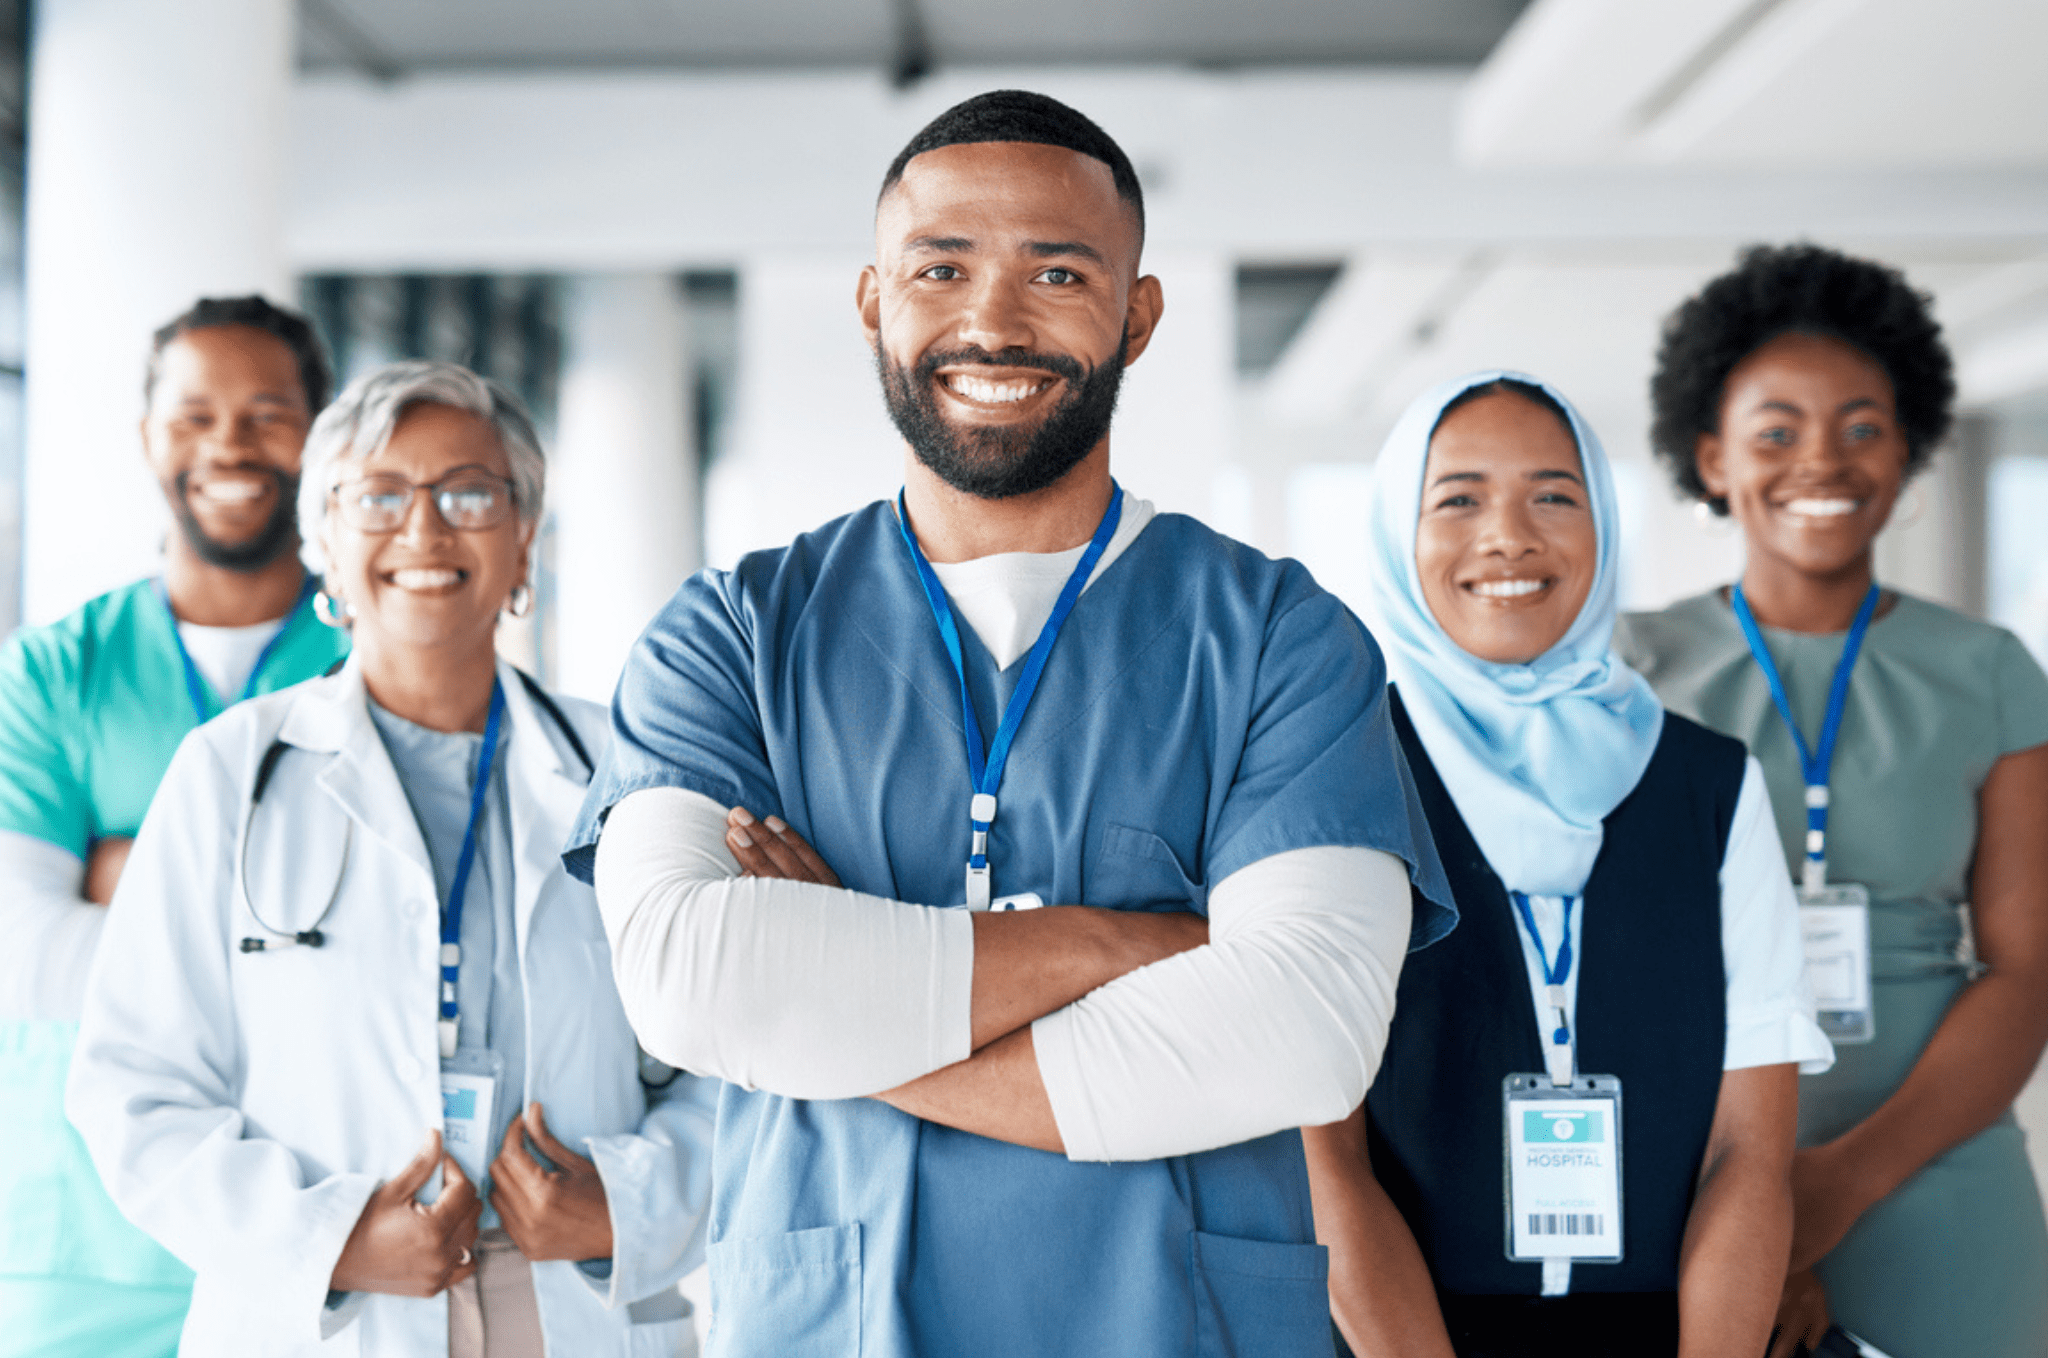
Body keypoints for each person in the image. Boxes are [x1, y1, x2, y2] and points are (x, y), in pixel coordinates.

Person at [561, 89, 1454, 1358]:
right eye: (940, 267)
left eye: (1056, 271)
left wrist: (829, 1017)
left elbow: (1303, 1034)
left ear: (1135, 317)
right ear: (874, 300)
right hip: (836, 1323)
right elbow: (690, 985)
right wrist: (1130, 945)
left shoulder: (1276, 637)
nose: (991, 320)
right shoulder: (732, 634)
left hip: (1177, 1324)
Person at [66, 361, 715, 1357]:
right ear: (321, 540)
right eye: (376, 495)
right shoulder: (227, 775)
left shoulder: (628, 772)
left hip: (574, 1303)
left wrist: (624, 1208)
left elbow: (732, 1061)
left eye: (468, 492)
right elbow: (132, 1091)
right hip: (329, 1313)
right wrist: (328, 1240)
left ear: (524, 535)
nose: (424, 529)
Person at [1304, 371, 1831, 1358]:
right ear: (1392, 532)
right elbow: (1320, 1162)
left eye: (1553, 494)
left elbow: (1747, 1151)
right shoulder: (1333, 778)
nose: (1507, 535)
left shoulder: (1709, 785)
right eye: (1456, 498)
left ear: (1603, 522)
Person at [1618, 244, 2048, 1358]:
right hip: (1694, 1175)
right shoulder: (1631, 668)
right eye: (1774, 431)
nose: (1821, 459)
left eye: (1860, 426)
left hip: (1935, 1177)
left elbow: (2024, 968)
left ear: (1906, 452)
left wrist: (1837, 1187)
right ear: (1710, 457)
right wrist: (1762, 1211)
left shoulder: (1988, 671)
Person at [0, 295, 349, 1358]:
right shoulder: (53, 674)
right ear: (147, 437)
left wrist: (130, 873)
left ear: (322, 433)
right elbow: (21, 955)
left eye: (265, 411)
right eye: (192, 415)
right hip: (88, 1244)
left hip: (320, 1219)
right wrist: (277, 924)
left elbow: (406, 946)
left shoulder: (372, 665)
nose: (228, 446)